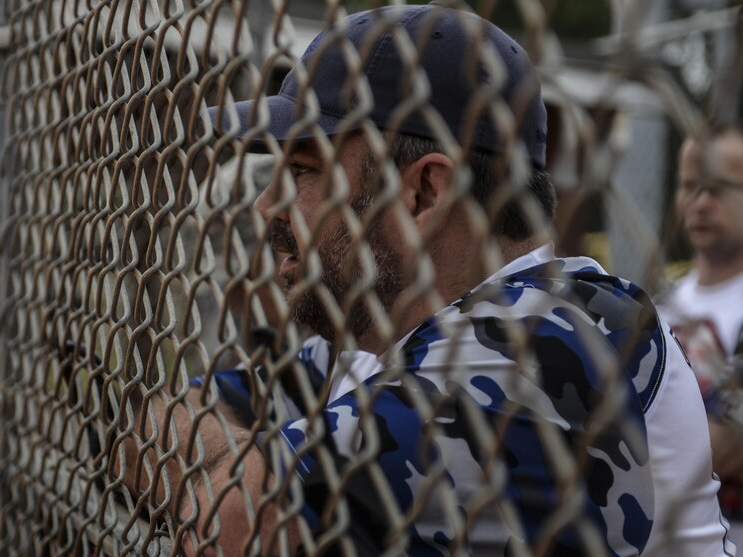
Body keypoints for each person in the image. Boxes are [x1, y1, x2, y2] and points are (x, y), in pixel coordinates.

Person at [121, 5, 734, 556]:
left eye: (304, 170)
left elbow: (233, 523)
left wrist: (233, 454)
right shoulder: (370, 347)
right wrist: (236, 454)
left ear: (423, 193)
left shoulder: (556, 335)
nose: (265, 206)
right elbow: (154, 427)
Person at [658, 123, 743, 531]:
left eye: (718, 188)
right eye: (689, 186)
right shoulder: (657, 306)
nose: (700, 203)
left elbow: (726, 449)